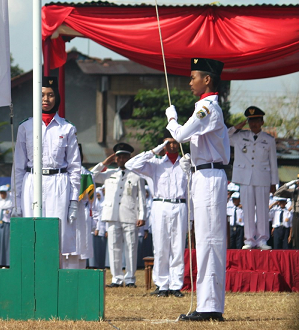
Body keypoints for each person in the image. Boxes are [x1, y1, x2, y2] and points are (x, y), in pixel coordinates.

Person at [166, 57, 229, 322]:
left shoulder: (207, 108)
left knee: (210, 241)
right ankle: (206, 304)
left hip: (210, 177)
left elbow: (180, 135)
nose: (190, 81)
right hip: (203, 174)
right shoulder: (204, 107)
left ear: (207, 79)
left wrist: (171, 119)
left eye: (194, 76)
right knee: (203, 240)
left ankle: (211, 307)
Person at [12, 76, 81, 268]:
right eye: (42, 95)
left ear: (56, 98)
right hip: (32, 180)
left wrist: (74, 201)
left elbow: (75, 166)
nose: (46, 99)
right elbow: (18, 165)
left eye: (50, 95)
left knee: (56, 234)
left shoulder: (67, 128)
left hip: (58, 181)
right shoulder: (25, 126)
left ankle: (53, 278)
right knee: (31, 232)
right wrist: (15, 201)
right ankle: (30, 277)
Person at [124, 137, 188, 297]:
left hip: (180, 204)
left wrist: (192, 218)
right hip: (160, 204)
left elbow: (192, 191)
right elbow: (130, 164)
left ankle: (176, 285)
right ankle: (162, 285)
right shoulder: (155, 164)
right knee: (160, 246)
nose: (172, 145)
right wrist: (155, 150)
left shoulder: (186, 163)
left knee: (178, 247)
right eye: (168, 142)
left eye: (174, 142)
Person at [90, 143, 147, 287]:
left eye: (125, 157)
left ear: (129, 158)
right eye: (119, 157)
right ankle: (116, 278)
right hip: (112, 215)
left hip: (130, 214)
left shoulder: (136, 176)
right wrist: (104, 163)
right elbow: (91, 176)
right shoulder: (109, 174)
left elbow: (142, 197)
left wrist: (142, 215)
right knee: (114, 247)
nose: (122, 159)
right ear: (115, 159)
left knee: (131, 247)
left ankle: (130, 278)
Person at [228, 106, 278, 250]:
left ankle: (262, 239)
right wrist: (237, 126)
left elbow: (273, 162)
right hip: (245, 178)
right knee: (248, 209)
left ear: (262, 122)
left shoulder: (269, 140)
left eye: (256, 120)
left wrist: (273, 182)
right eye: (251, 121)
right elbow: (225, 136)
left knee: (262, 209)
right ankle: (249, 239)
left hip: (262, 177)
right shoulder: (239, 136)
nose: (253, 124)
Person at [275, 174, 299, 249]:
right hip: (296, 216)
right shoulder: (294, 191)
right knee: (296, 237)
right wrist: (291, 183)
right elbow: (277, 193)